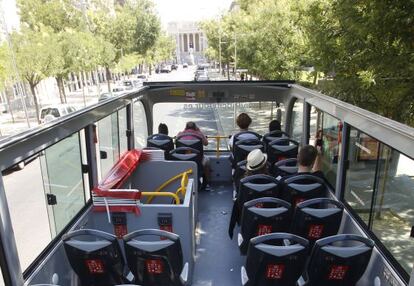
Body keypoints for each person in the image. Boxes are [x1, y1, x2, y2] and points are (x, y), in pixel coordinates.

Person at [177, 122, 210, 189]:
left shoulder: (180, 134)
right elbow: (206, 143)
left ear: (185, 128)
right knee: (207, 160)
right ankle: (205, 183)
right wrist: (199, 131)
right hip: (197, 161)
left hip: (182, 160)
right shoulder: (199, 134)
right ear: (195, 128)